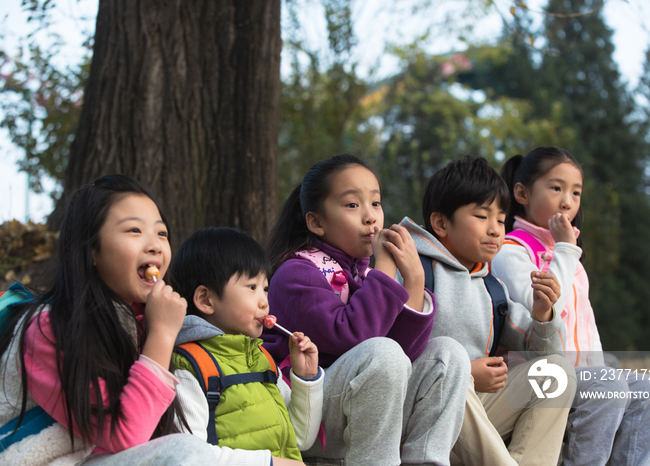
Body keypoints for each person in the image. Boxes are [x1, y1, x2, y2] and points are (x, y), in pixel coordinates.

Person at [262, 154, 470, 466]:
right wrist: (385, 269)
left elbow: (405, 352)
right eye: (352, 205)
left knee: (448, 355)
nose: (370, 217)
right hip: (309, 413)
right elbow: (354, 337)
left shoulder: (362, 275)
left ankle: (425, 460)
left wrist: (414, 280)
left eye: (375, 203)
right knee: (381, 353)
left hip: (360, 402)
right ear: (316, 222)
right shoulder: (297, 272)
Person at [0, 174, 216, 465]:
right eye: (134, 230)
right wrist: (162, 336)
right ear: (92, 251)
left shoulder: (138, 321)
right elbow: (125, 435)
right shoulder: (49, 327)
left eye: (161, 233)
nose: (155, 245)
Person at [492, 146, 650, 466]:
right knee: (606, 384)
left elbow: (586, 324)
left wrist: (602, 370)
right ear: (522, 193)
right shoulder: (511, 251)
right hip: (537, 377)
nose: (567, 201)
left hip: (585, 376)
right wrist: (564, 249)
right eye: (556, 188)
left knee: (649, 391)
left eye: (576, 192)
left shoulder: (568, 252)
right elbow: (544, 313)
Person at [398, 154, 577, 466]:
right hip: (419, 419)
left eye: (500, 218)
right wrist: (466, 373)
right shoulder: (415, 271)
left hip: (476, 417)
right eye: (482, 217)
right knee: (447, 357)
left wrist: (543, 315)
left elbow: (545, 353)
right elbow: (394, 354)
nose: (496, 229)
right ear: (441, 223)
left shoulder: (493, 289)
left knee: (557, 373)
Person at [168, 227, 324, 466]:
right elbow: (189, 455)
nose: (264, 301)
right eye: (252, 287)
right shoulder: (191, 367)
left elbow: (301, 439)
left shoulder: (262, 359)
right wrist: (269, 463)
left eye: (265, 288)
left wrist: (306, 378)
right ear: (206, 300)